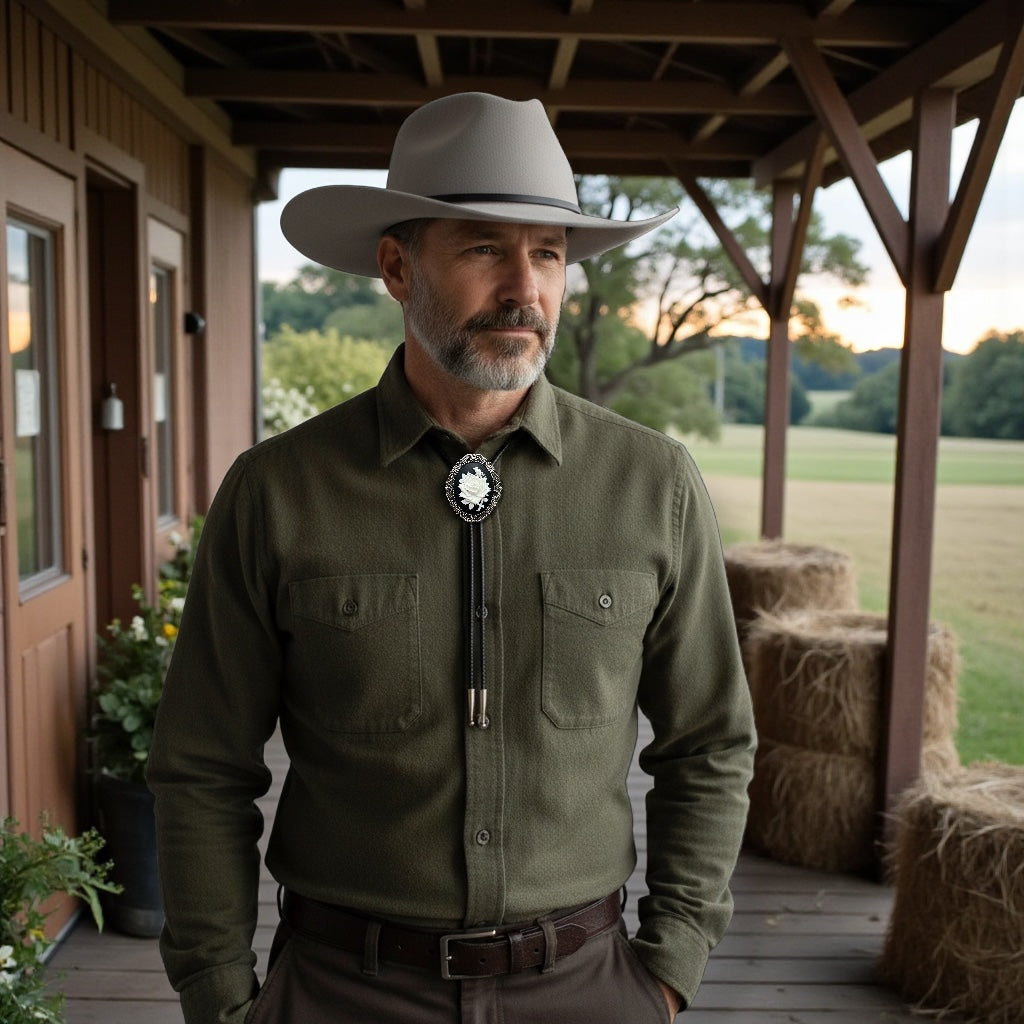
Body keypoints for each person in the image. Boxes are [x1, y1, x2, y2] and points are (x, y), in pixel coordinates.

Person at [148, 92, 756, 1024]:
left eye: (548, 253)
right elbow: (201, 764)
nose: (525, 287)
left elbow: (709, 742)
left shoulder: (652, 484)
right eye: (484, 247)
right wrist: (218, 990)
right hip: (338, 988)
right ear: (397, 265)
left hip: (588, 988)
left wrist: (668, 968)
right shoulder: (278, 491)